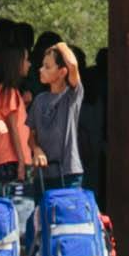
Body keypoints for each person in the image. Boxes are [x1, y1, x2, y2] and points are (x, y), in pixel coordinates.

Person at [24, 38, 88, 207]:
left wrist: (60, 45)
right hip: (43, 175)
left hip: (69, 174)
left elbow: (73, 66)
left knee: (66, 224)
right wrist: (36, 150)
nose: (41, 70)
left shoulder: (72, 96)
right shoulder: (39, 100)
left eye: (47, 66)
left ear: (62, 72)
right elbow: (31, 137)